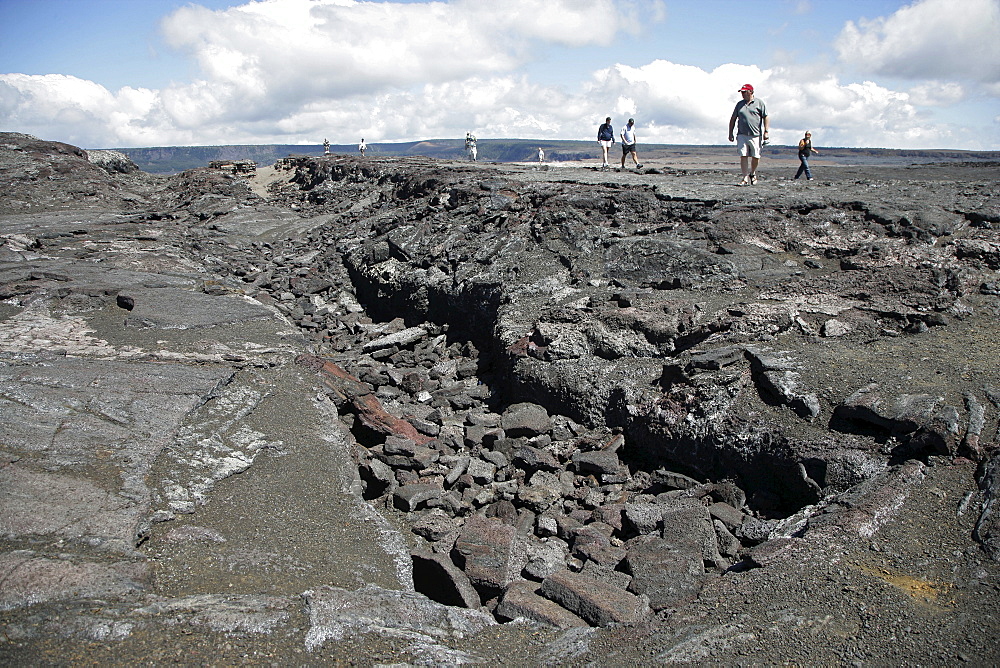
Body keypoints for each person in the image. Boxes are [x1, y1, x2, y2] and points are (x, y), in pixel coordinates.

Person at [727, 83, 769, 185]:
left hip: (755, 134)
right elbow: (733, 118)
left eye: (744, 92)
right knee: (743, 155)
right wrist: (730, 132)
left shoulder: (759, 103)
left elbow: (766, 117)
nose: (742, 94)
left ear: (750, 92)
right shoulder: (739, 104)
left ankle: (752, 173)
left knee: (756, 156)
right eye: (742, 92)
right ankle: (745, 177)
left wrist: (766, 131)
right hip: (742, 134)